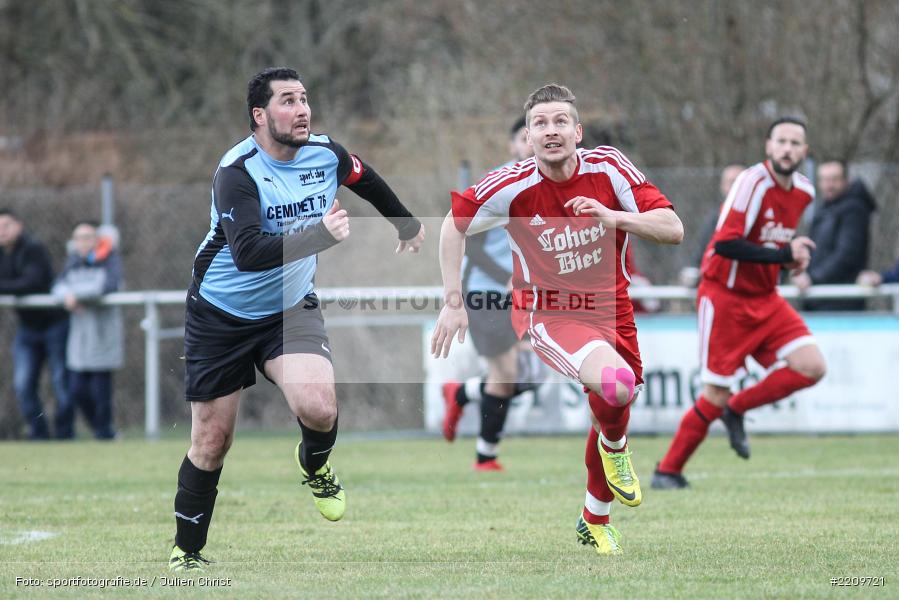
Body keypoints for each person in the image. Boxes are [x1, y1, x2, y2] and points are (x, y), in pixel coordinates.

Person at [168, 67, 424, 571]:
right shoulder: (237, 173)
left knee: (319, 406)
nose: (302, 109)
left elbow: (362, 176)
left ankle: (315, 465)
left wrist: (405, 221)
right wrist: (320, 238)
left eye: (305, 98)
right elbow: (247, 253)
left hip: (290, 306)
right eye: (288, 101)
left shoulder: (324, 153)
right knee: (212, 441)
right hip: (221, 313)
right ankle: (187, 552)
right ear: (259, 116)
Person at [431, 84, 683, 555]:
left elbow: (673, 228)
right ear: (528, 137)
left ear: (577, 131)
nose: (551, 131)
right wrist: (451, 299)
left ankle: (595, 518)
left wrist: (614, 217)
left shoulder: (609, 167)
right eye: (541, 124)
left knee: (609, 402)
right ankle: (615, 450)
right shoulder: (511, 185)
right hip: (548, 312)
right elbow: (453, 223)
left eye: (560, 121)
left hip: (614, 308)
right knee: (616, 386)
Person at [653, 117, 827, 490]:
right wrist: (784, 255)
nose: (787, 149)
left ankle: (738, 408)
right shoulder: (752, 182)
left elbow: (775, 245)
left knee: (812, 366)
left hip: (766, 299)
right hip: (724, 298)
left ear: (805, 152)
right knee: (715, 392)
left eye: (796, 143)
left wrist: (793, 262)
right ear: (768, 146)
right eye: (781, 141)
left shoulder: (805, 192)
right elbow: (726, 244)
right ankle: (668, 471)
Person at [441, 116, 546, 471]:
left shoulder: (555, 185)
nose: (532, 143)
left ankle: (462, 393)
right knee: (507, 371)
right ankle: (485, 457)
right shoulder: (501, 184)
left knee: (527, 375)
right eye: (524, 137)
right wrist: (509, 277)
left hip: (525, 295)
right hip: (487, 293)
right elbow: (470, 245)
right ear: (513, 145)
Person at [0, 208, 71, 440]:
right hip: (27, 328)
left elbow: (31, 282)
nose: (2, 231)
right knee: (22, 384)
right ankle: (38, 434)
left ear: (19, 225)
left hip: (54, 325)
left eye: (6, 225)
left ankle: (64, 435)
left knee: (61, 382)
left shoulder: (33, 249)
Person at [52, 222, 123, 440]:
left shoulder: (110, 260)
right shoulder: (73, 262)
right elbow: (57, 287)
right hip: (79, 339)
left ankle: (104, 433)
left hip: (103, 337)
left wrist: (76, 296)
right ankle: (100, 430)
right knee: (77, 390)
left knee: (101, 394)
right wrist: (67, 296)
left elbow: (107, 286)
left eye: (86, 237)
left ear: (96, 239)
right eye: (78, 237)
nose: (82, 242)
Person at [792, 159, 875, 310]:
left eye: (834, 179)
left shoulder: (854, 211)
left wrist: (813, 278)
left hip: (841, 300)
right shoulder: (825, 209)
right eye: (824, 179)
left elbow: (847, 255)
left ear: (846, 181)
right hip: (818, 297)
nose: (828, 185)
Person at [678, 165, 744, 287]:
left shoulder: (762, 216)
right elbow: (700, 253)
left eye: (738, 182)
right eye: (730, 182)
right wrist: (693, 271)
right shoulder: (714, 219)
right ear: (722, 186)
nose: (734, 187)